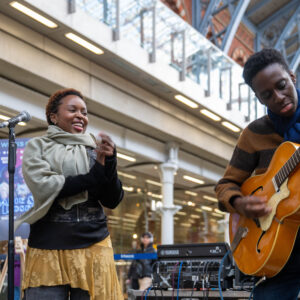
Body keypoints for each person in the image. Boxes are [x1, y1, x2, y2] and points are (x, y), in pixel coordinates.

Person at [15, 88, 124, 300]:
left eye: (84, 112)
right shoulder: (37, 147)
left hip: (94, 245)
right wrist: (95, 175)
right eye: (73, 110)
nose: (80, 116)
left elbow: (112, 199)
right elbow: (45, 186)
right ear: (53, 117)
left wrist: (110, 164)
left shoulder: (95, 149)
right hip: (47, 246)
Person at [215, 48, 300, 299]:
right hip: (281, 257)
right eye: (267, 95)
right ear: (259, 99)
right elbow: (225, 185)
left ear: (292, 77)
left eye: (282, 85)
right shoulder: (254, 135)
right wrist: (240, 203)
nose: (279, 97)